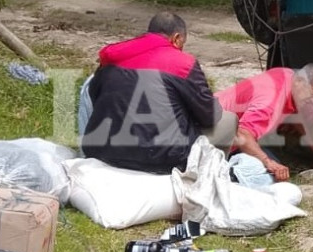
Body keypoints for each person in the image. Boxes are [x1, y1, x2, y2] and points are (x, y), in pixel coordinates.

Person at [82, 12, 231, 173]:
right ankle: (204, 179)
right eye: (182, 43)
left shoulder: (113, 56)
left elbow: (95, 97)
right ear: (176, 38)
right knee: (229, 120)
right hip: (162, 159)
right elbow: (209, 116)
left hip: (102, 151)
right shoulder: (183, 64)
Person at [214, 64, 313, 181]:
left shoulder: (288, 76)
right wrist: (267, 162)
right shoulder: (270, 102)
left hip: (222, 123)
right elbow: (242, 135)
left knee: (277, 169)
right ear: (300, 81)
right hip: (214, 139)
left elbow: (294, 111)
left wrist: (310, 139)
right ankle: (223, 176)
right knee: (268, 176)